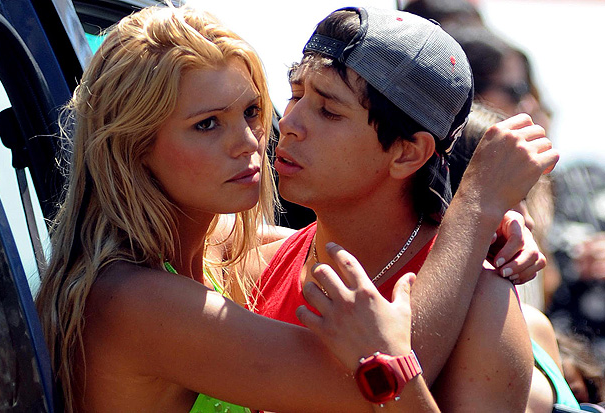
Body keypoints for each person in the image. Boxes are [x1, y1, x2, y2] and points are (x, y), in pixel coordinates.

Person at [34, 5, 440, 412]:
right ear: (134, 146)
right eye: (207, 124)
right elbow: (370, 391)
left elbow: (325, 241)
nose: (248, 142)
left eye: (251, 111)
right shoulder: (136, 300)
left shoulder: (210, 250)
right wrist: (471, 212)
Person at [250, 7, 558, 411]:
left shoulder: (482, 303)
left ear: (408, 153)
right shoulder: (254, 263)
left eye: (329, 111)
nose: (289, 122)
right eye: (295, 94)